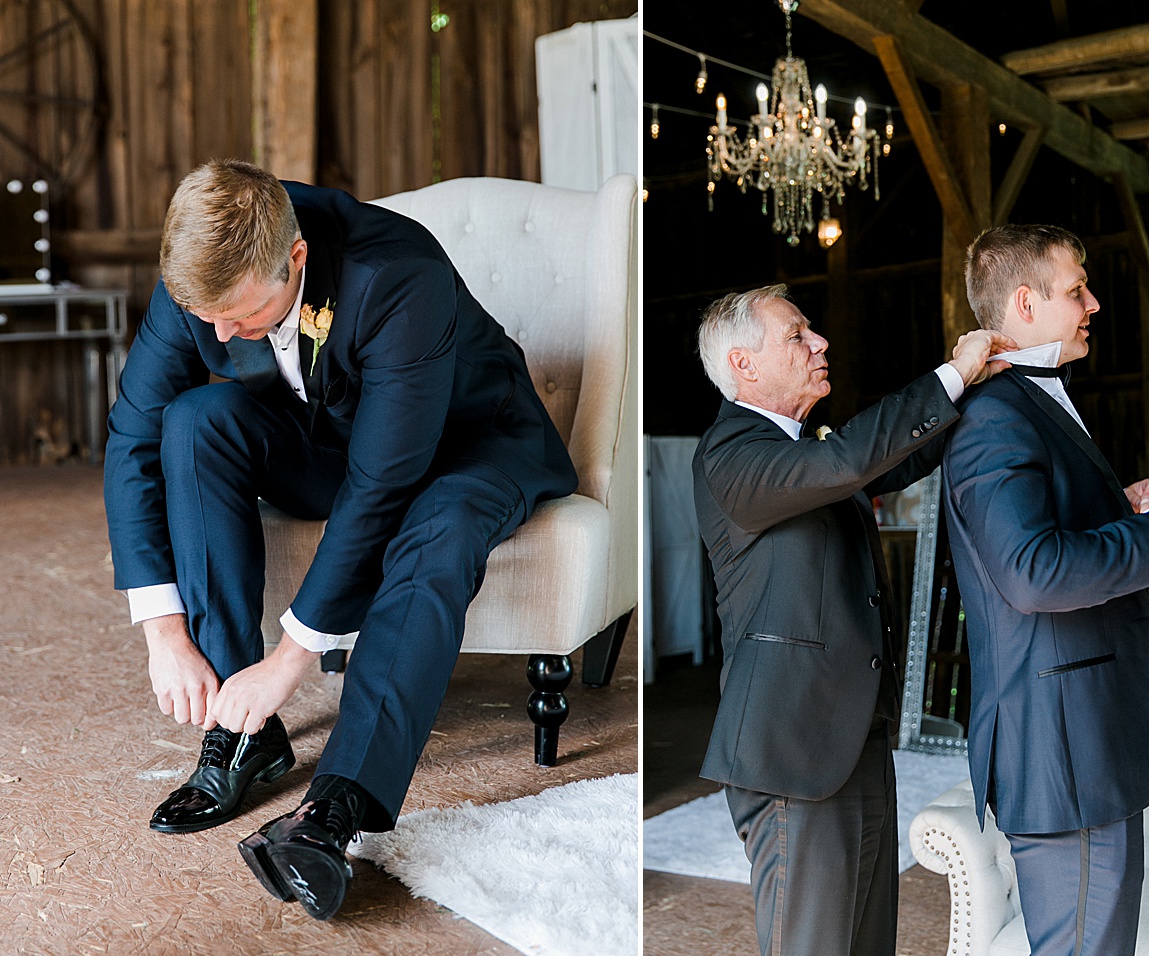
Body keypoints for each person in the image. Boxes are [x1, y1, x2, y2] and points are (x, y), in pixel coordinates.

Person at [103, 160, 577, 920]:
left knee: (438, 527)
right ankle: (242, 733)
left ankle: (334, 808)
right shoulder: (201, 274)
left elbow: (381, 488)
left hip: (471, 443)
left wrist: (290, 661)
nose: (219, 335)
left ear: (295, 259)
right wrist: (164, 631)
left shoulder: (397, 275)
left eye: (238, 315)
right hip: (340, 434)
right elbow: (133, 432)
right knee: (193, 422)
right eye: (205, 315)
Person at [691, 284, 1014, 956]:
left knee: (868, 944)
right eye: (797, 334)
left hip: (852, 738)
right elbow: (846, 463)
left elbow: (893, 457)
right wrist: (949, 372)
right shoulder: (732, 455)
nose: (820, 343)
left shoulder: (807, 451)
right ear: (743, 365)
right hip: (792, 750)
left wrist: (979, 386)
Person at [942, 224, 1149, 955]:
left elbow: (1044, 534)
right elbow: (1031, 571)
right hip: (1061, 750)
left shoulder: (1034, 402)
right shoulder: (994, 415)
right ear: (1024, 303)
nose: (1095, 303)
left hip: (1084, 740)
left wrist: (1118, 506)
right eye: (1076, 289)